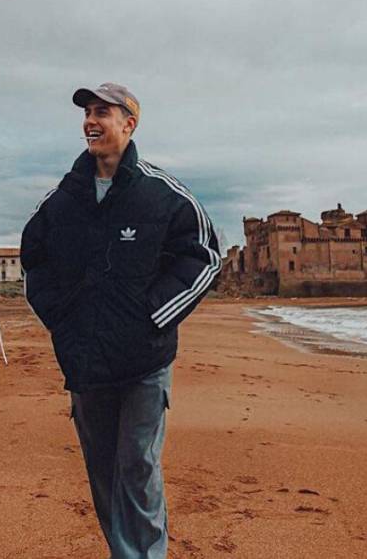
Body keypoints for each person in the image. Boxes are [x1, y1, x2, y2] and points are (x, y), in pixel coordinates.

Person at [21, 83, 220, 558]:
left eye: (103, 112)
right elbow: (34, 262)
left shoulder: (161, 194)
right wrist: (63, 323)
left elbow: (205, 257)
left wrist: (154, 317)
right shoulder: (61, 200)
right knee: (103, 472)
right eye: (88, 113)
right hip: (86, 363)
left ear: (129, 124)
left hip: (144, 363)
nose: (91, 121)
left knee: (137, 468)